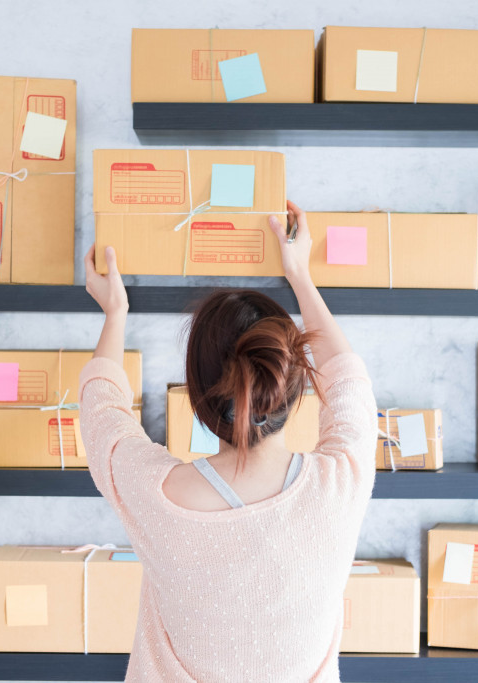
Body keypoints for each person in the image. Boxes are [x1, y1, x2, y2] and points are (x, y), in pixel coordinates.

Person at [79, 200, 377, 682]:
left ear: (195, 396)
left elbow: (102, 415)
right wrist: (300, 275)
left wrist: (115, 311)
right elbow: (348, 381)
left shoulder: (157, 497)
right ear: (293, 383)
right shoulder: (339, 485)